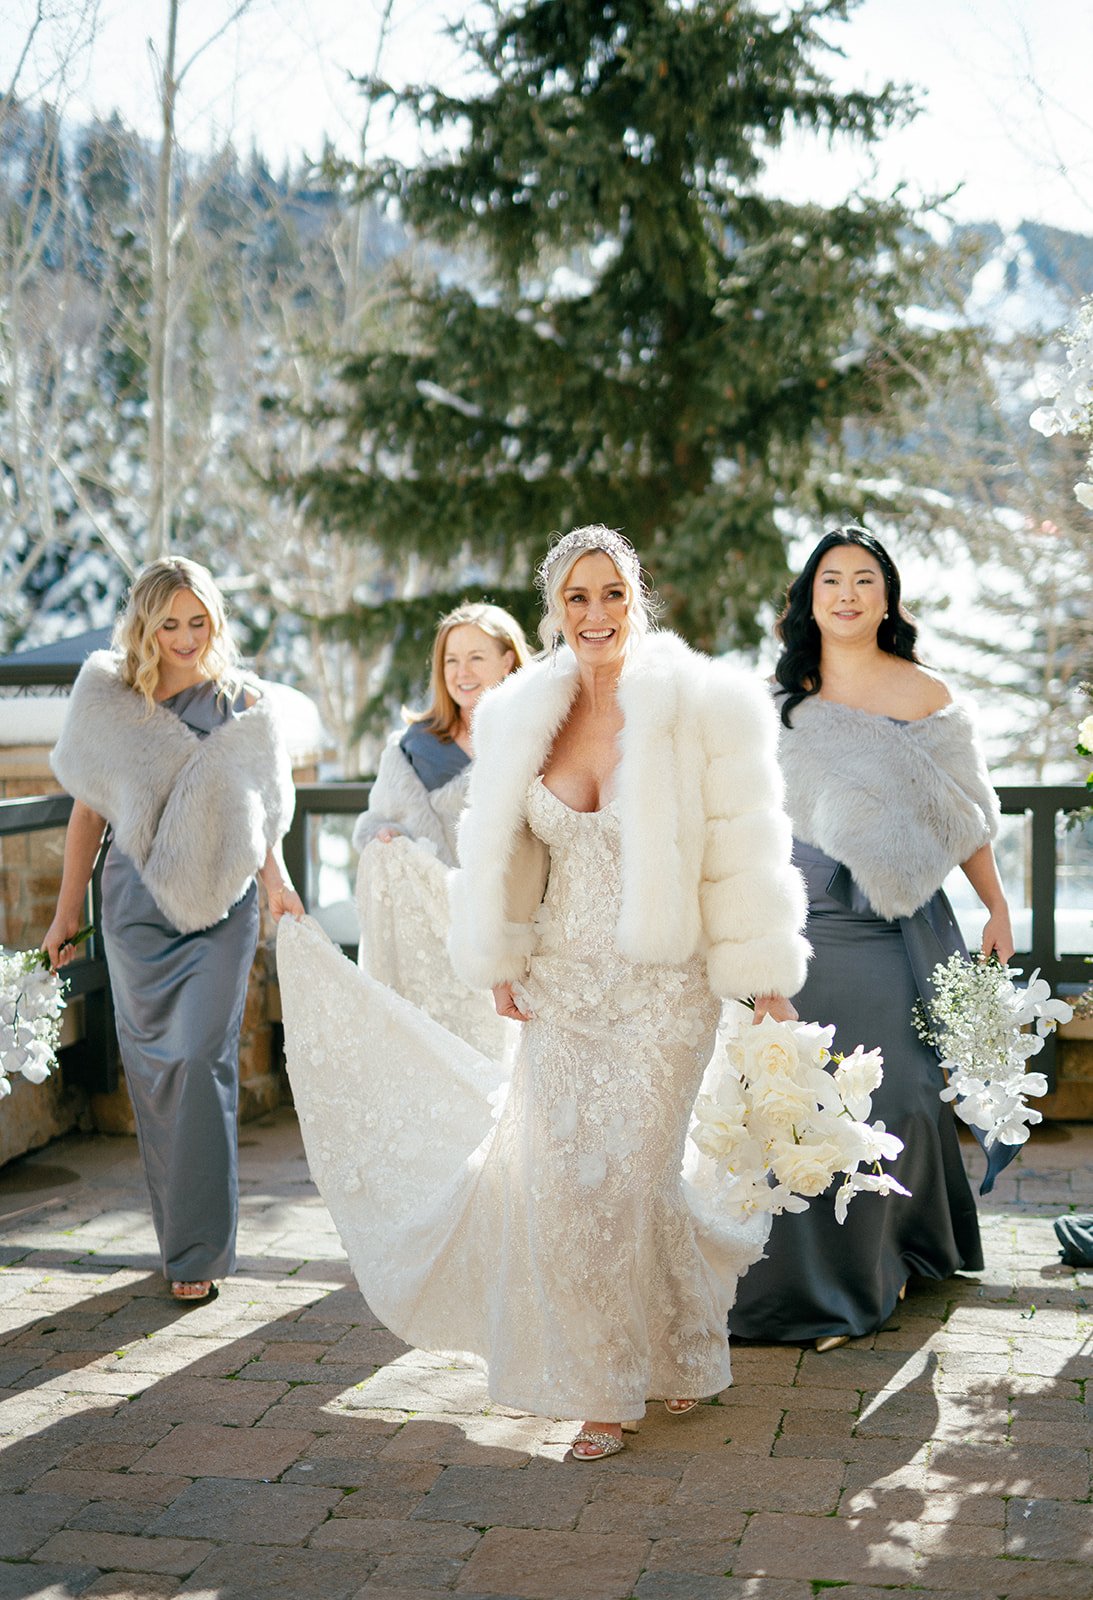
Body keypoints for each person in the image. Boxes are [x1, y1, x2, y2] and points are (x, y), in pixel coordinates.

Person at [276, 526, 809, 1461]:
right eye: (576, 598)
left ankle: (620, 1385)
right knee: (567, 1184)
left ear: (634, 597)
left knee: (631, 1181)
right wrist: (500, 957)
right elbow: (499, 849)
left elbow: (743, 849)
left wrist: (763, 981)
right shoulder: (520, 710)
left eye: (611, 594)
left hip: (666, 989)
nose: (595, 614)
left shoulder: (704, 705)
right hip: (562, 984)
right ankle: (656, 1362)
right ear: (552, 609)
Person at [728, 525, 1014, 1352]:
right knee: (797, 1099)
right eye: (830, 581)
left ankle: (898, 1250)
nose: (846, 593)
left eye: (863, 579)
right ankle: (812, 1286)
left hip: (894, 926)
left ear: (885, 596)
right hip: (800, 920)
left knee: (901, 1098)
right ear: (807, 599)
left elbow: (966, 815)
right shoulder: (775, 696)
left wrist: (994, 906)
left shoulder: (924, 692)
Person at [44, 558, 303, 1303]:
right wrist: (68, 914)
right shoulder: (110, 700)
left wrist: (278, 887)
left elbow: (264, 817)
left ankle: (198, 1252)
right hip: (133, 912)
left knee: (199, 1059)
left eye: (199, 622)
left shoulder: (244, 703)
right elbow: (87, 813)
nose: (187, 638)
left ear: (215, 622)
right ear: (145, 625)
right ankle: (181, 1246)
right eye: (171, 623)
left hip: (221, 913)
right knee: (157, 1076)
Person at [352, 602, 529, 1053]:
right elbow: (377, 821)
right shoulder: (413, 748)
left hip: (509, 931)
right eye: (451, 660)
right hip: (432, 943)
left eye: (476, 657)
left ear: (508, 658)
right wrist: (386, 839)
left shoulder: (532, 737)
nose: (461, 672)